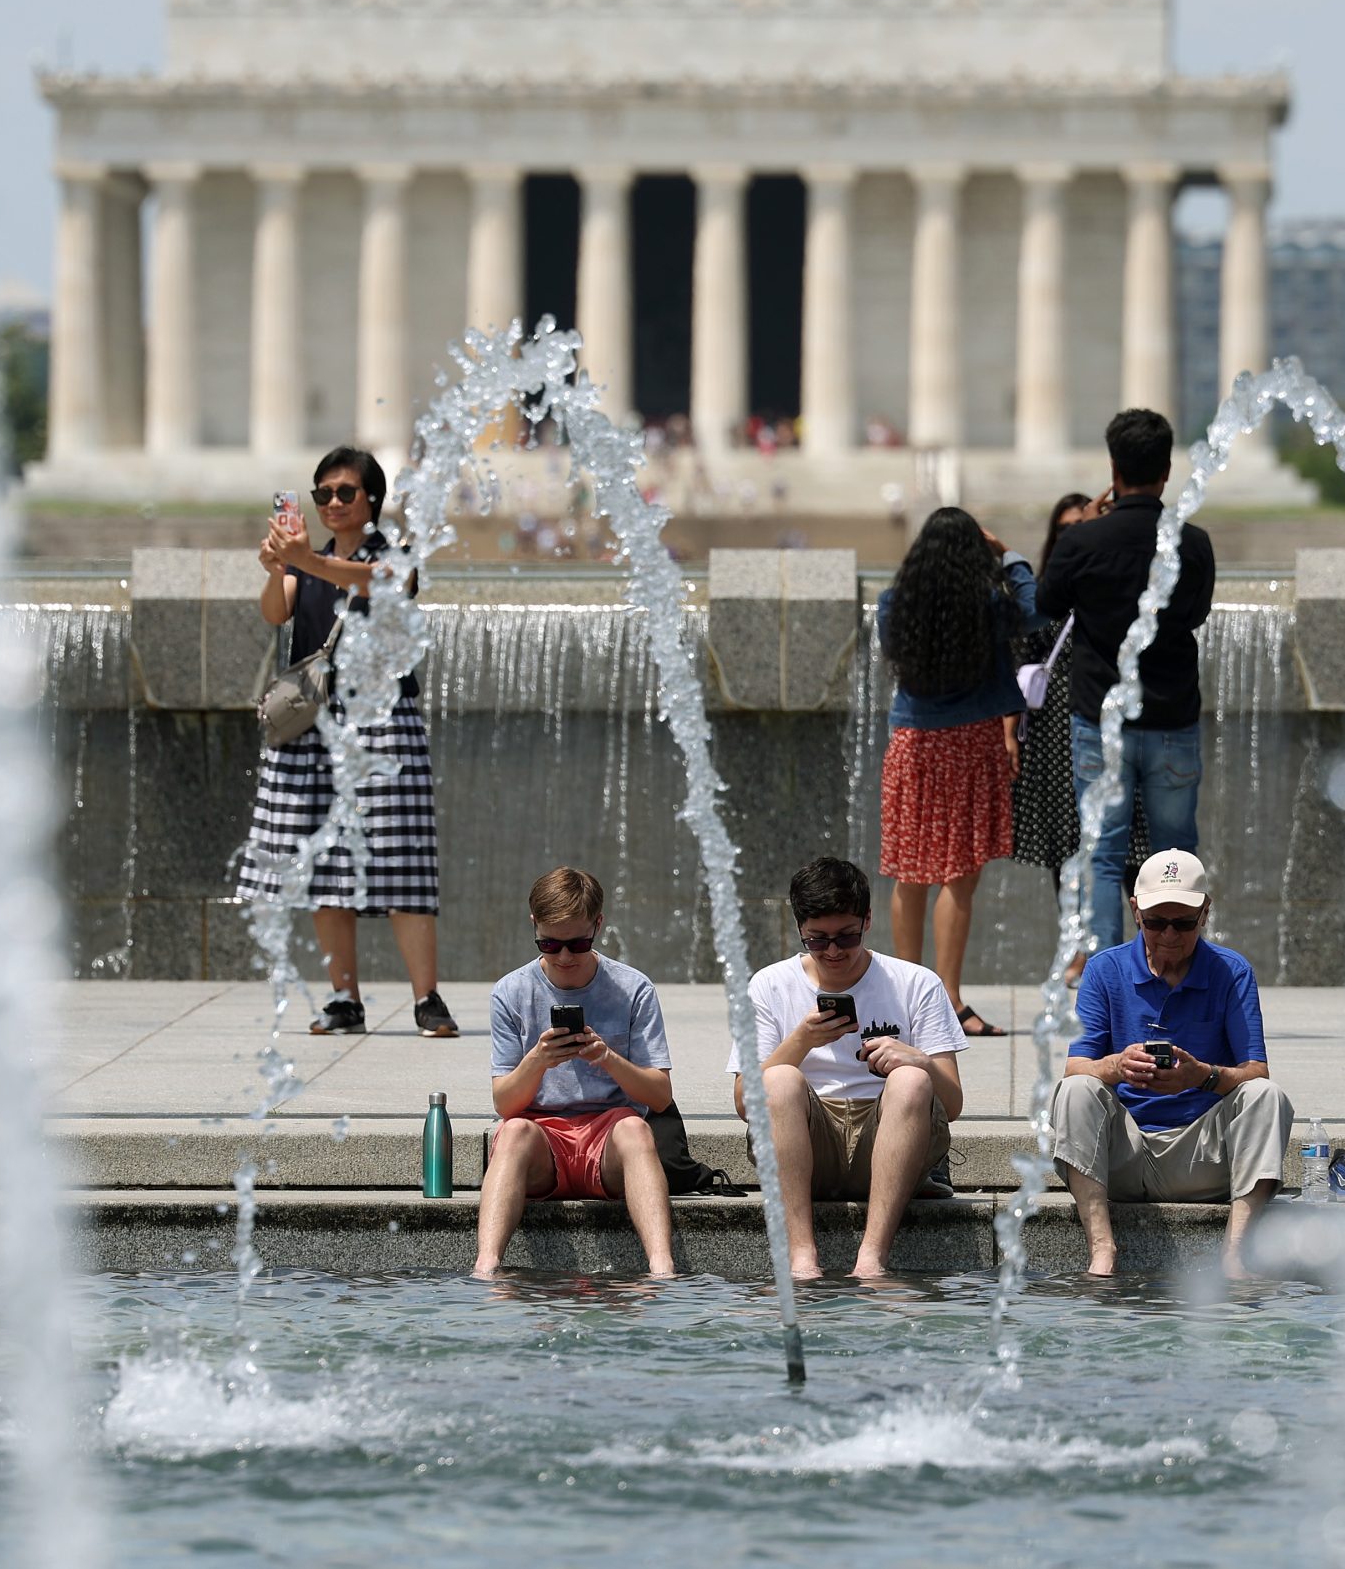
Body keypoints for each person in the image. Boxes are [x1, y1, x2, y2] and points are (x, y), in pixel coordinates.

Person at [233, 447, 458, 1039]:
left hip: (383, 719)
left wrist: (307, 559)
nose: (332, 503)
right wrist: (277, 568)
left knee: (403, 859)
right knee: (323, 866)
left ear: (372, 501)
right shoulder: (304, 560)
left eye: (345, 493)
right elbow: (275, 612)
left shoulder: (390, 554)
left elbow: (386, 586)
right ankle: (343, 998)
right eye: (322, 493)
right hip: (314, 727)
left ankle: (426, 998)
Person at [1047, 850, 1292, 1279]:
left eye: (1184, 923)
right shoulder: (1104, 969)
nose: (1169, 935)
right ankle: (1102, 1252)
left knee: (1266, 1097)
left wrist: (1204, 1076)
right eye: (1157, 922)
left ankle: (1235, 1255)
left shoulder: (1232, 971)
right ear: (1135, 910)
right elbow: (1076, 1066)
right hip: (1122, 1152)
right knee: (1076, 1090)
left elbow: (1257, 1070)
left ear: (1205, 914)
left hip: (1201, 1154)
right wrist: (1117, 1066)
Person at [728, 857, 966, 1280]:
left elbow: (953, 1103)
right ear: (800, 928)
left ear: (868, 920)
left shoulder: (915, 982)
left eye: (846, 937)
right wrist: (801, 1041)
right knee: (780, 1079)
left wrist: (918, 1060)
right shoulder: (769, 984)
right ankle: (802, 1257)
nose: (833, 951)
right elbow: (746, 1100)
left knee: (911, 1079)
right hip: (808, 1144)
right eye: (817, 941)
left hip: (892, 1139)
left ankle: (871, 1258)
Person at [1038, 408, 1217, 959]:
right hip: (1172, 716)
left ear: (1113, 468)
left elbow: (1045, 605)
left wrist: (1087, 525)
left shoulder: (1085, 542)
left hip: (1100, 717)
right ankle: (1176, 966)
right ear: (1167, 471)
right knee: (1174, 854)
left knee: (1102, 851)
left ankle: (1103, 972)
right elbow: (1194, 614)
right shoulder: (1192, 542)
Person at [875, 506, 1039, 1037]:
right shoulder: (989, 605)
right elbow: (1037, 612)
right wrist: (1008, 556)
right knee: (958, 874)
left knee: (909, 869)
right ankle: (947, 998)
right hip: (971, 740)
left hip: (914, 741)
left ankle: (904, 996)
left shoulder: (892, 605)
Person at [473, 866, 678, 1278]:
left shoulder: (633, 988)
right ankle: (486, 1266)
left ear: (599, 925)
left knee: (637, 1129)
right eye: (549, 943)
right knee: (512, 1132)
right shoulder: (511, 992)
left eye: (578, 943)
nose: (565, 956)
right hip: (541, 1138)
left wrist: (607, 1058)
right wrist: (538, 1060)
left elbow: (659, 1096)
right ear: (534, 926)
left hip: (610, 1140)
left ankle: (662, 1268)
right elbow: (505, 1104)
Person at [1012, 493, 1148, 985]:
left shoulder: (1106, 579)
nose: (1074, 533)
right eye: (1064, 528)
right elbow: (1021, 653)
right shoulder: (1046, 594)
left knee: (1128, 842)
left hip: (1101, 721)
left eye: (1082, 525)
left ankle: (1145, 943)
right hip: (1051, 732)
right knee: (1066, 847)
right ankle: (1079, 950)